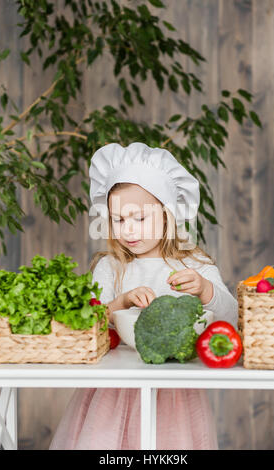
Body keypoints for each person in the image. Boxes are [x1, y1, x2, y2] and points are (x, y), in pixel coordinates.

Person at [49, 142, 238, 450]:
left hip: (175, 390)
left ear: (167, 215)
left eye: (140, 218)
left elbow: (231, 319)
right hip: (113, 388)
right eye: (119, 219)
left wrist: (206, 290)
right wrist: (120, 302)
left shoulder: (194, 264)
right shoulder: (110, 267)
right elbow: (87, 324)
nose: (128, 230)